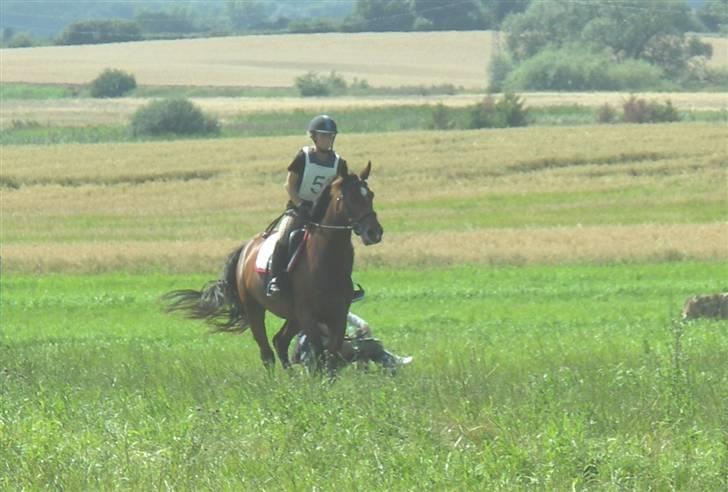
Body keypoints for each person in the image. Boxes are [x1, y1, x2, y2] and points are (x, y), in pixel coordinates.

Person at [266, 114, 348, 297]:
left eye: (331, 136)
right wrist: (300, 204)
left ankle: (344, 282)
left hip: (322, 212)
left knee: (342, 241)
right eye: (324, 136)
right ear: (314, 137)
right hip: (298, 209)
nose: (328, 140)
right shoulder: (303, 157)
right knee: (284, 236)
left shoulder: (339, 163)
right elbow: (289, 184)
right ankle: (276, 279)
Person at [292, 312, 413, 372]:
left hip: (336, 350)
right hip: (315, 357)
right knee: (369, 345)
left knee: (367, 343)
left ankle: (387, 363)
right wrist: (350, 337)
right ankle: (390, 362)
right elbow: (330, 334)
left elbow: (355, 320)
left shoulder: (336, 309)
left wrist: (363, 326)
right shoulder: (314, 314)